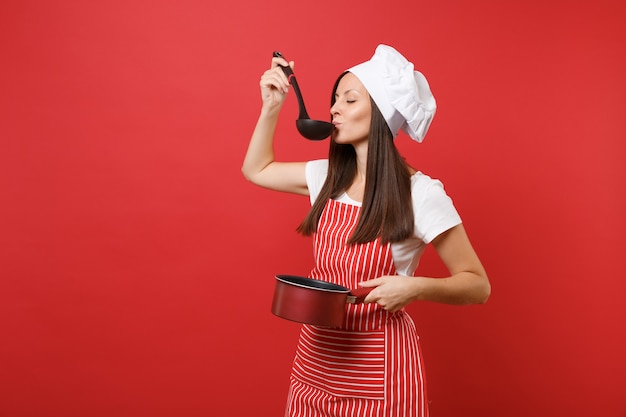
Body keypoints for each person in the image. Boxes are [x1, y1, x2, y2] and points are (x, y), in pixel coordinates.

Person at [242, 44, 490, 417]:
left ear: (380, 114)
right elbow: (256, 169)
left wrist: (416, 287)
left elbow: (477, 285)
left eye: (350, 99)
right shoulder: (326, 177)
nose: (333, 109)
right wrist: (272, 107)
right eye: (335, 99)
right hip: (316, 364)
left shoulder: (420, 193)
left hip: (380, 373)